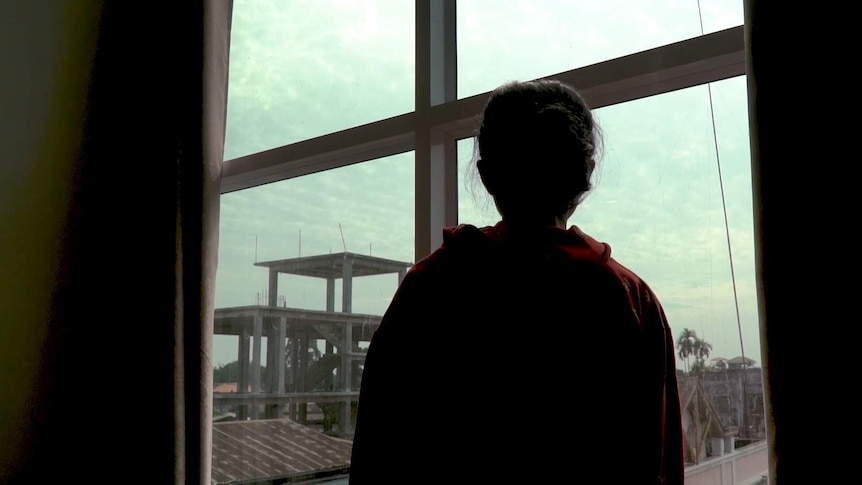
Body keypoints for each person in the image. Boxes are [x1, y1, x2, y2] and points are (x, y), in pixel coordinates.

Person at [349, 79, 684, 484]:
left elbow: (379, 452)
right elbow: (655, 465)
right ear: (586, 174)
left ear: (487, 176)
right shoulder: (629, 299)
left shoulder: (429, 288)